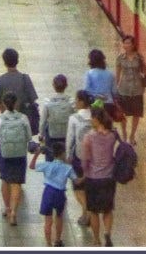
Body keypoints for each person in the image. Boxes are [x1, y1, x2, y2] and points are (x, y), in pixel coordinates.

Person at [79, 107, 118, 246]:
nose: (90, 120)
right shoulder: (112, 135)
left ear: (97, 119)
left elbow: (85, 159)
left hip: (93, 178)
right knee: (107, 209)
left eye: (92, 118)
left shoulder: (89, 137)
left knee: (94, 211)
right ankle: (107, 232)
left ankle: (96, 239)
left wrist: (84, 173)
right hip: (109, 178)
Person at [0, 92, 31, 225]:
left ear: (3, 103)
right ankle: (14, 212)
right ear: (16, 103)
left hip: (4, 153)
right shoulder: (23, 118)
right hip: (20, 153)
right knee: (16, 182)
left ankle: (7, 208)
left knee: (5, 180)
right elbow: (29, 137)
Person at [30, 141, 77, 246]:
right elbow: (76, 181)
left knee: (48, 220)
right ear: (63, 153)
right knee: (59, 217)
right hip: (60, 194)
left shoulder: (47, 165)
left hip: (48, 192)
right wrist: (86, 175)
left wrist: (37, 154)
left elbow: (32, 166)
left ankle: (48, 244)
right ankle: (58, 240)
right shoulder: (68, 168)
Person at [65, 90, 94, 227]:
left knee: (77, 187)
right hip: (94, 158)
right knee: (89, 186)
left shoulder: (74, 118)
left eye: (77, 100)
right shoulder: (96, 116)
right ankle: (86, 212)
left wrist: (67, 155)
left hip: (79, 156)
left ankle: (86, 209)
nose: (75, 103)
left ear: (82, 102)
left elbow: (70, 138)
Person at [114, 35, 146, 143]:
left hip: (137, 89)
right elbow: (118, 74)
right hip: (123, 89)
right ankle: (124, 134)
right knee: (122, 114)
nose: (126, 45)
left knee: (136, 113)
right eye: (125, 43)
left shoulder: (139, 58)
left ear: (133, 45)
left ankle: (132, 135)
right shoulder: (120, 58)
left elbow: (145, 72)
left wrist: (145, 85)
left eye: (129, 43)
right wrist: (116, 88)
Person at [0, 48, 39, 119]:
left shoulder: (0, 80)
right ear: (17, 61)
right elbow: (33, 100)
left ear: (5, 63)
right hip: (23, 120)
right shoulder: (25, 78)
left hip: (7, 121)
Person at [84, 48, 124, 126]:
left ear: (91, 61)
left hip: (95, 105)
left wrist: (97, 95)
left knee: (96, 127)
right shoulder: (111, 74)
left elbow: (86, 90)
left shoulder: (89, 73)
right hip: (109, 105)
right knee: (108, 127)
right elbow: (115, 92)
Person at [41, 74, 75, 155]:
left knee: (50, 155)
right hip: (66, 134)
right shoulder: (72, 102)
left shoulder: (48, 103)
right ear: (66, 85)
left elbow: (43, 121)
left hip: (52, 134)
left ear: (53, 85)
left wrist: (41, 134)